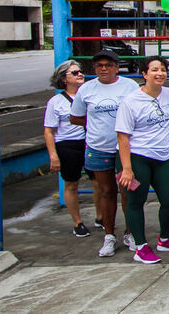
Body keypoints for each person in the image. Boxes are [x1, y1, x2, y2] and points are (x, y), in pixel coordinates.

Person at [115, 56, 169, 264]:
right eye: (154, 70)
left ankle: (165, 238)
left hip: (162, 156)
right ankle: (140, 246)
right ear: (144, 74)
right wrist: (127, 169)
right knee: (136, 201)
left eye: (163, 69)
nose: (160, 73)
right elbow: (122, 137)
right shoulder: (131, 101)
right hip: (136, 158)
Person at [70, 49, 139, 257]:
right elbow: (75, 117)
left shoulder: (130, 86)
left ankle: (130, 232)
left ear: (117, 67)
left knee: (128, 192)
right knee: (106, 192)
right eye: (99, 65)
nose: (103, 68)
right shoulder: (87, 89)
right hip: (98, 148)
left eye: (108, 65)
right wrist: (94, 126)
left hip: (125, 150)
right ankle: (109, 235)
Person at [44, 60, 89, 237]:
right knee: (71, 183)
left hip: (89, 142)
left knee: (99, 181)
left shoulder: (88, 95)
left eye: (80, 71)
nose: (80, 75)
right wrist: (53, 155)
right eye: (74, 73)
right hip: (68, 144)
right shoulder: (56, 102)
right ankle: (77, 222)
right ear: (64, 79)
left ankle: (101, 217)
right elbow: (49, 131)